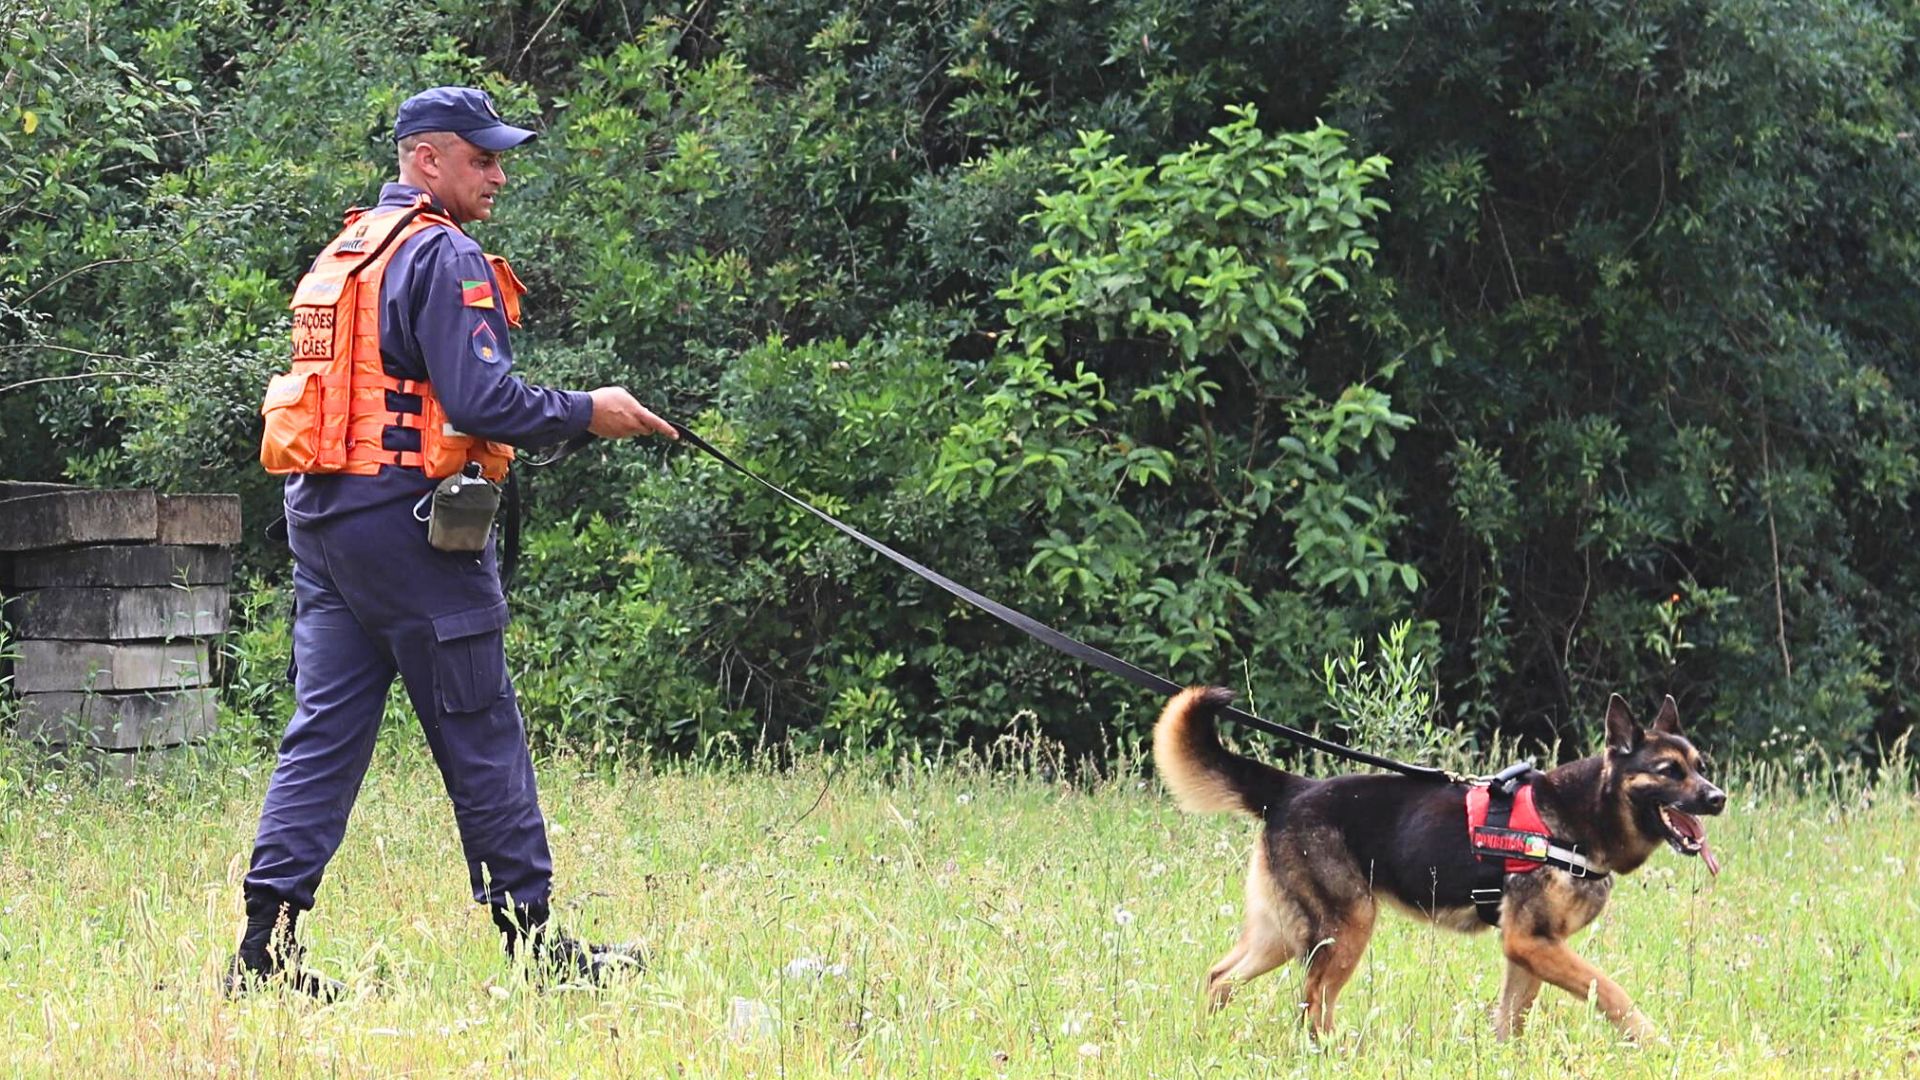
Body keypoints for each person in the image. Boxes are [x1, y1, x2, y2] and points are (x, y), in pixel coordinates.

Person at [232, 86, 676, 999]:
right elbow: (479, 404)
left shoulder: (350, 250)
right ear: (426, 160)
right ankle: (540, 950)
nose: (499, 174)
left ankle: (262, 955)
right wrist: (590, 413)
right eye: (483, 158)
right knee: (481, 728)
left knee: (323, 734)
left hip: (323, 521)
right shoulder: (444, 253)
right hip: (408, 530)